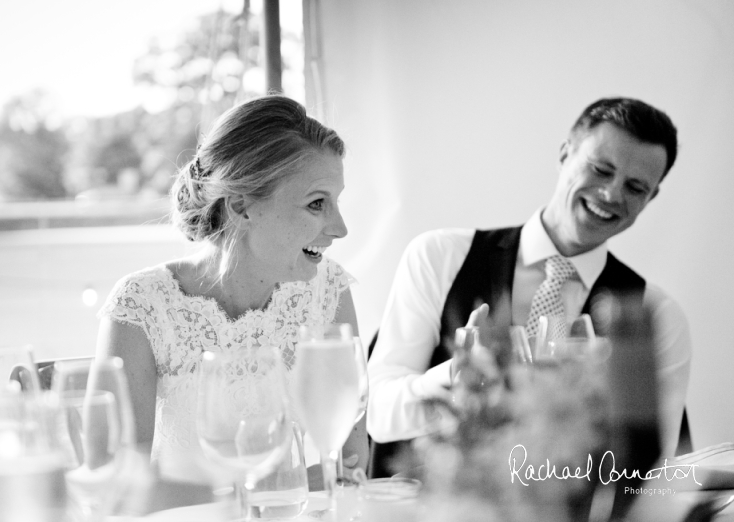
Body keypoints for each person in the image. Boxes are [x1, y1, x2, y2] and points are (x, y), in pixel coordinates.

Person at [366, 97, 691, 476]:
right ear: (565, 154)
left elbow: (650, 472)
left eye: (635, 187)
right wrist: (449, 381)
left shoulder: (655, 314)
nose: (612, 194)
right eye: (601, 170)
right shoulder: (439, 257)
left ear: (651, 198)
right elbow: (377, 413)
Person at [95, 95, 368, 484]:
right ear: (241, 207)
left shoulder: (329, 291)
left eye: (335, 202)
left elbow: (350, 463)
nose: (340, 228)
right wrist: (265, 497)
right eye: (316, 203)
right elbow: (114, 485)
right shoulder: (142, 305)